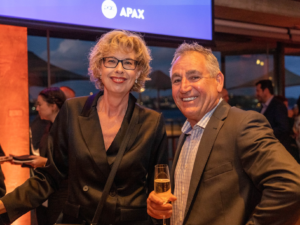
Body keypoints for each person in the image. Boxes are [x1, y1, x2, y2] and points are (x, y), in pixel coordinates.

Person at [0, 30, 168, 225]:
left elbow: (158, 189)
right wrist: (4, 205)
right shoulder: (72, 111)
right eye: (111, 61)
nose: (120, 69)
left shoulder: (152, 122)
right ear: (99, 67)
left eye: (128, 63)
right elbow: (48, 177)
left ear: (138, 71)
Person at [147, 43, 300, 225]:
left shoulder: (242, 124)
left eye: (194, 77)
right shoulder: (187, 132)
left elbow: (291, 185)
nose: (184, 88)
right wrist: (159, 207)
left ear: (218, 81)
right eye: (176, 80)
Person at [255, 80, 290, 150]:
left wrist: (263, 133)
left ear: (266, 91)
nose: (256, 94)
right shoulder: (264, 107)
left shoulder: (278, 105)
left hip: (276, 149)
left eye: (258, 91)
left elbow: (283, 128)